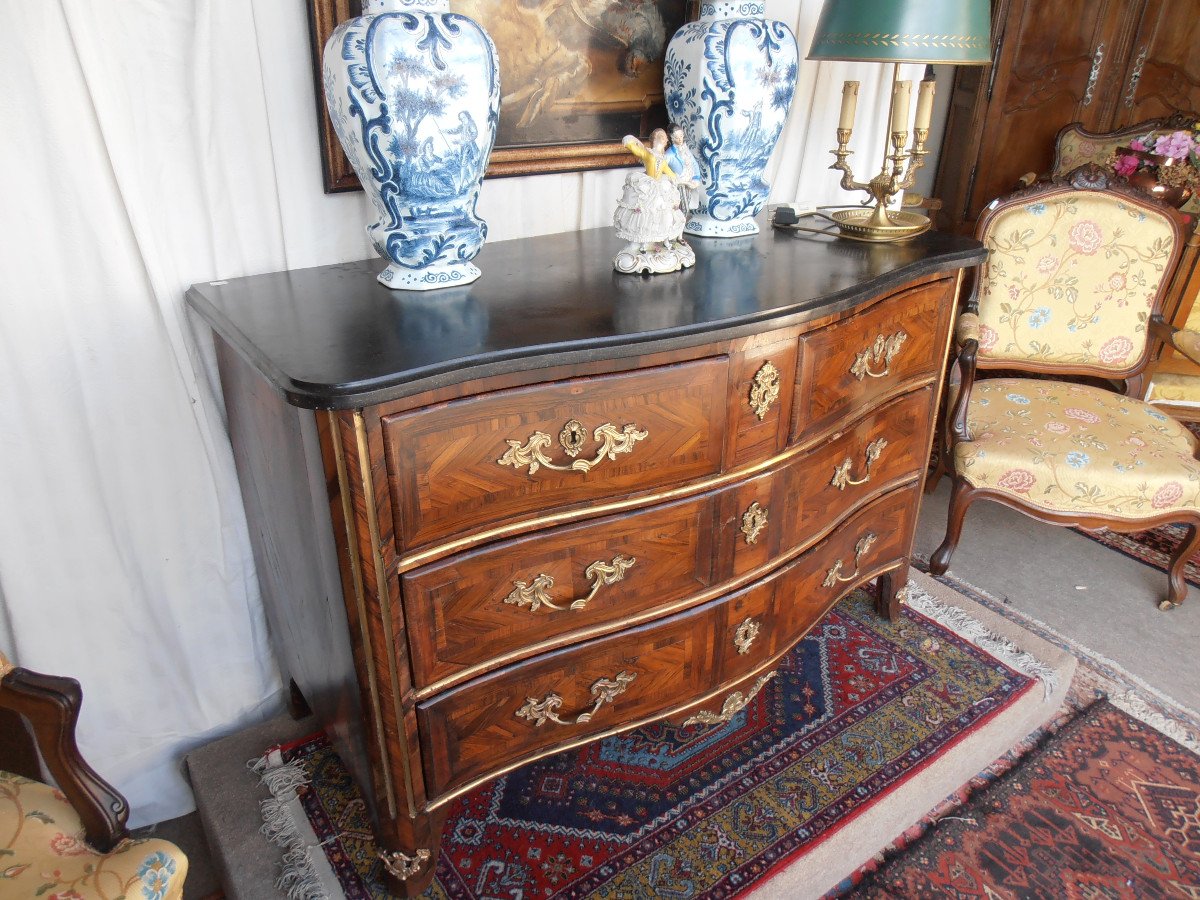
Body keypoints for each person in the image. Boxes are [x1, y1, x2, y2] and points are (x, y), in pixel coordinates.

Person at [665, 125, 703, 212]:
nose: (680, 139)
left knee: (688, 202)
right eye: (677, 137)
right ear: (671, 138)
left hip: (689, 181)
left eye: (681, 136)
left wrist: (696, 177)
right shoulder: (669, 154)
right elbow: (663, 167)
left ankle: (683, 220)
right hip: (680, 182)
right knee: (683, 207)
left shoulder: (685, 149)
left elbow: (694, 163)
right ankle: (681, 222)